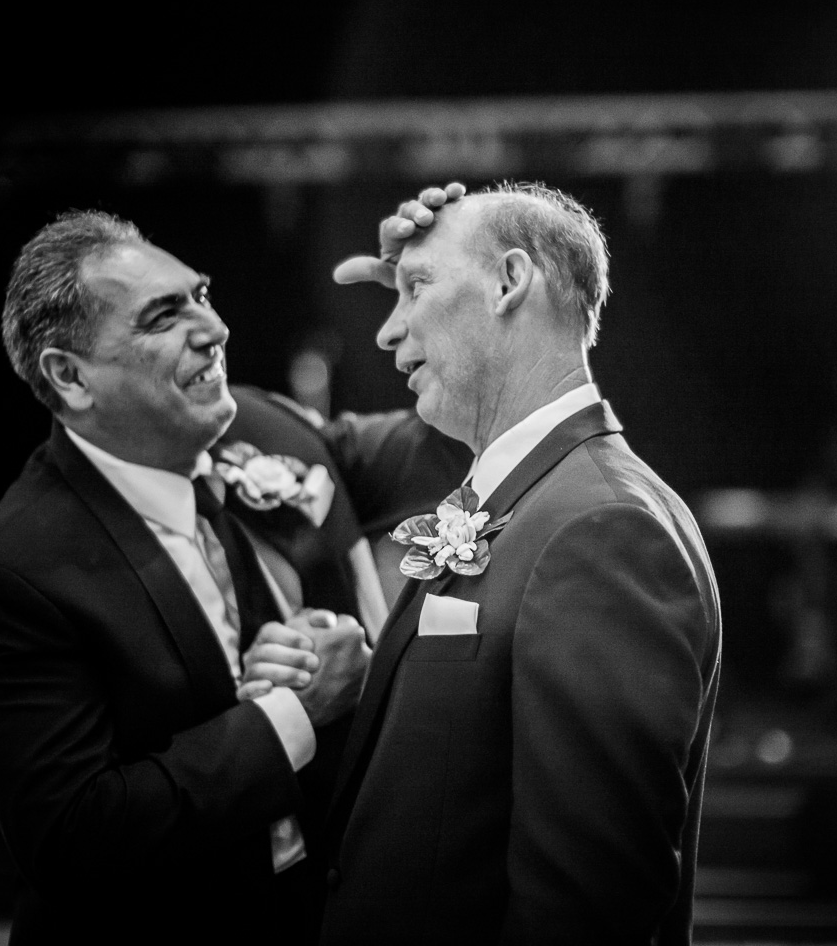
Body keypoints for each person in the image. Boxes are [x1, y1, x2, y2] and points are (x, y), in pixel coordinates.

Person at [245, 182, 723, 944]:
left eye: (413, 290)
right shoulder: (526, 489)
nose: (385, 332)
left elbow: (586, 910)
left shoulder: (599, 529)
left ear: (508, 282)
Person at [0, 210, 379, 943]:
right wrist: (297, 713)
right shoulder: (14, 571)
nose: (213, 329)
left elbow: (419, 448)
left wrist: (443, 296)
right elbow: (75, 838)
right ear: (70, 377)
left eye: (200, 295)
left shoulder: (262, 429)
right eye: (163, 317)